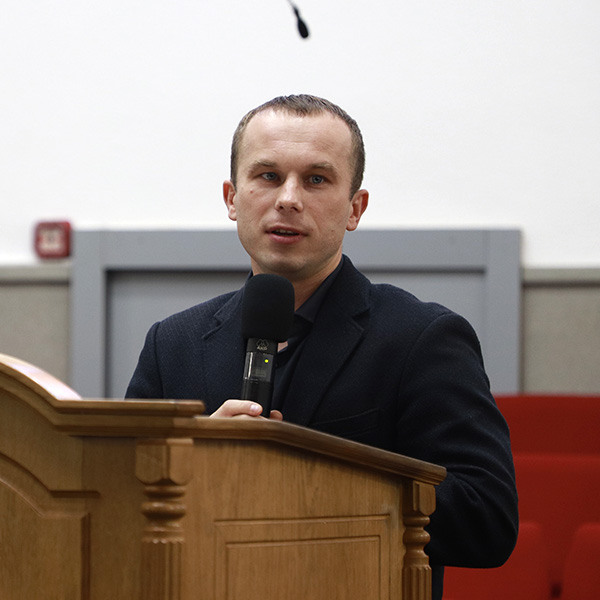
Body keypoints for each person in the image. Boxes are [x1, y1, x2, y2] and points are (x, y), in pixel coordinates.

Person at [126, 94, 518, 599]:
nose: (288, 198)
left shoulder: (423, 338)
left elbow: (487, 520)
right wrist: (195, 464)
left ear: (355, 208)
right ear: (232, 198)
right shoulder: (172, 343)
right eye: (268, 175)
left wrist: (303, 477)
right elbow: (120, 504)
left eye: (315, 179)